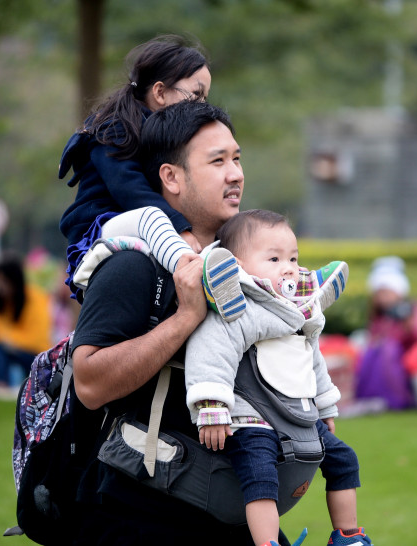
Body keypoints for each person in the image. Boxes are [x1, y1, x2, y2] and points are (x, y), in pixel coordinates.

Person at [69, 100, 267, 545]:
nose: (235, 173)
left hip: (227, 508)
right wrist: (186, 318)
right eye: (217, 161)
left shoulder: (237, 265)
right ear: (171, 178)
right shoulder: (132, 267)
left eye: (236, 158)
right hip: (139, 515)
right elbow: (89, 381)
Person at [184, 210, 371, 546]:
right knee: (260, 474)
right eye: (274, 258)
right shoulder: (239, 312)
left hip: (297, 413)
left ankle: (347, 535)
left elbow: (312, 362)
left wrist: (325, 407)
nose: (288, 267)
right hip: (251, 418)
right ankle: (268, 543)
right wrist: (211, 408)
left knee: (344, 459)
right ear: (237, 264)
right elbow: (209, 355)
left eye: (293, 258)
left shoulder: (299, 314)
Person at [57, 34, 245, 320]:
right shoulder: (115, 129)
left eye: (206, 98)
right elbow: (130, 190)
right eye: (196, 96)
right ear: (159, 93)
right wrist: (179, 226)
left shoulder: (153, 133)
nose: (201, 106)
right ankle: (195, 271)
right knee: (150, 217)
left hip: (132, 228)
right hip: (96, 229)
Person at [354, 256, 417, 410]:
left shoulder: (412, 308)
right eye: (379, 293)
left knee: (388, 350)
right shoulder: (379, 315)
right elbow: (372, 338)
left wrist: (408, 321)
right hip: (380, 365)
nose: (383, 297)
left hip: (406, 364)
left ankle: (399, 399)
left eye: (387, 292)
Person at [0, 254, 52, 390]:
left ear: (14, 281)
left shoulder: (35, 298)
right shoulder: (2, 302)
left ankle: (1, 384)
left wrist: (4, 337)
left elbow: (37, 340)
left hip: (34, 356)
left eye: (2, 282)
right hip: (6, 351)